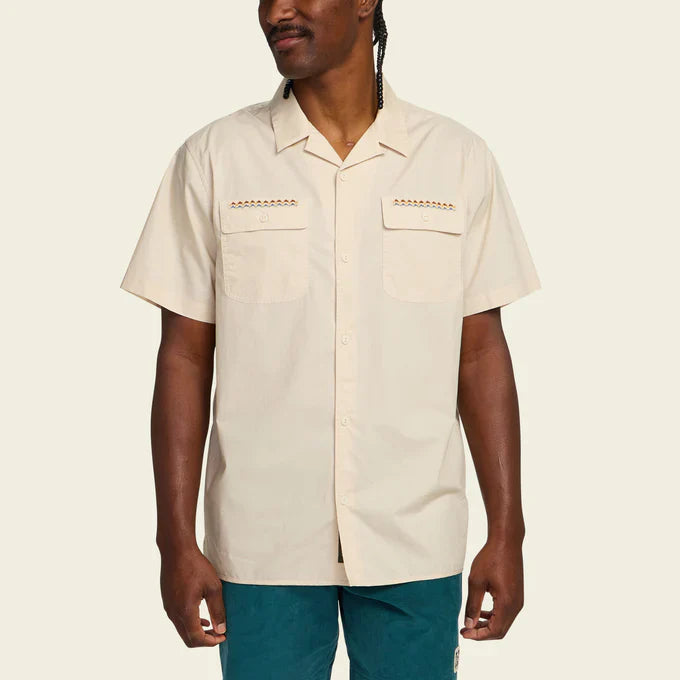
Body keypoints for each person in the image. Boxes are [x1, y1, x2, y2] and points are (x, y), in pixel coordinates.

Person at [120, 1, 541, 677]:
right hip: (261, 547)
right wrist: (175, 541)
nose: (276, 11)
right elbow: (185, 357)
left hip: (415, 539)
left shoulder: (456, 159)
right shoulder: (215, 158)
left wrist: (507, 531)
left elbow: (481, 352)